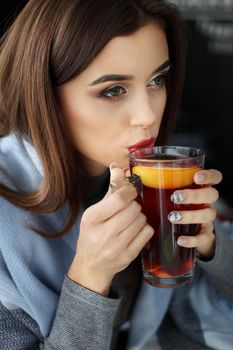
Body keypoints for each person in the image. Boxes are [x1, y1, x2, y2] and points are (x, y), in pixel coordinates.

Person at [0, 0, 228, 349]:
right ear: (43, 94)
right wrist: (90, 276)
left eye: (157, 79)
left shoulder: (158, 177)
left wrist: (210, 245)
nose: (146, 115)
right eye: (113, 90)